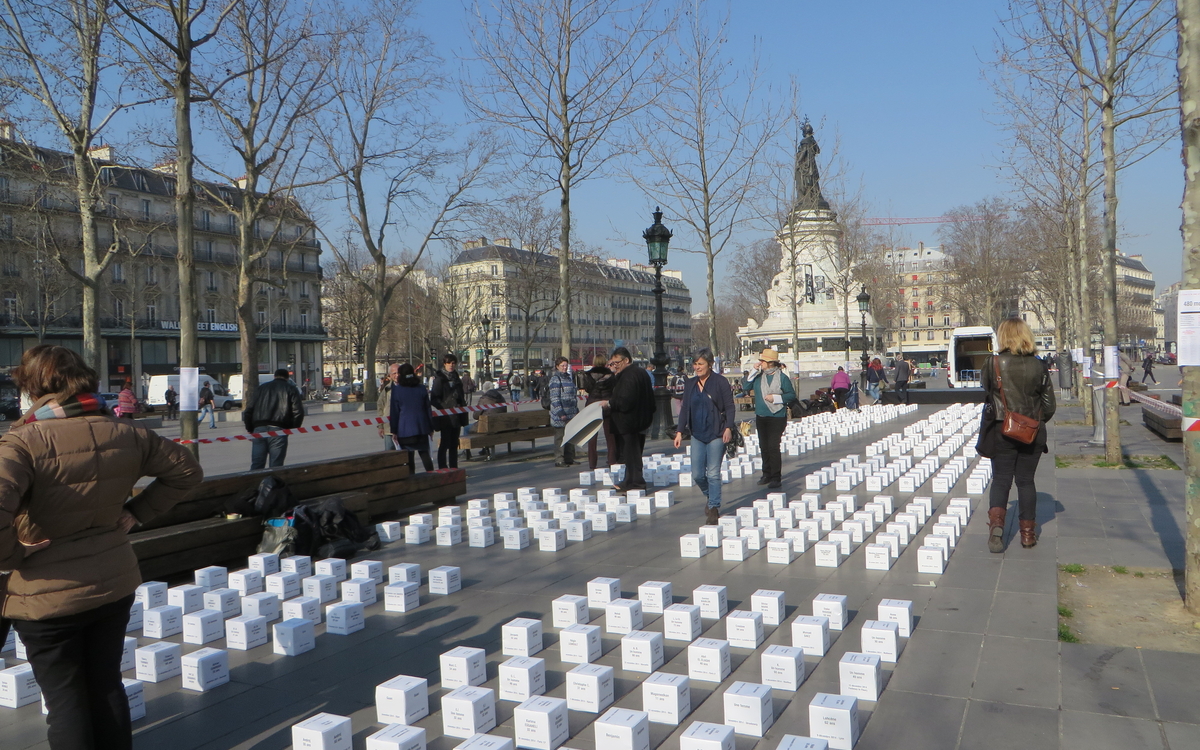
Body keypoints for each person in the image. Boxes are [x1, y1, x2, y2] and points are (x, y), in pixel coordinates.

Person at [0, 344, 202, 750]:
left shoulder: (22, 441)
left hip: (44, 594)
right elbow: (188, 471)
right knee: (106, 685)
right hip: (112, 582)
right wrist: (137, 512)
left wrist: (11, 556)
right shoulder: (126, 431)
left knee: (65, 698)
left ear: (33, 386)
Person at [979, 317, 1056, 552]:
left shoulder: (992, 363)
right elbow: (1049, 404)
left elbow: (987, 390)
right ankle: (1028, 534)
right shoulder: (1039, 365)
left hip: (1003, 429)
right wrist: (1033, 421)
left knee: (1001, 479)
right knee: (1026, 481)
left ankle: (996, 529)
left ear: (1003, 336)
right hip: (1032, 431)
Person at [674, 350, 734, 525]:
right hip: (697, 434)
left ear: (710, 364)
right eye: (695, 364)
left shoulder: (720, 382)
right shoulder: (690, 383)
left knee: (713, 473)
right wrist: (679, 431)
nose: (697, 367)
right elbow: (685, 409)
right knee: (698, 474)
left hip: (717, 432)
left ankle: (714, 508)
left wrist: (728, 427)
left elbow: (730, 407)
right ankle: (710, 495)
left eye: (700, 364)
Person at [602, 347, 654, 491]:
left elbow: (625, 401)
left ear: (626, 360)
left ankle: (635, 483)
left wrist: (610, 403)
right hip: (640, 420)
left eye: (617, 363)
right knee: (633, 454)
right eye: (612, 363)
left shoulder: (628, 376)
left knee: (631, 454)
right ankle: (629, 480)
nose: (614, 366)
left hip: (629, 422)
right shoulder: (641, 372)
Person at [743, 348, 795, 490]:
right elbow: (745, 386)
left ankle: (776, 477)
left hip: (777, 416)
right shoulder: (758, 377)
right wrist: (752, 371)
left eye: (763, 361)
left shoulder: (782, 378)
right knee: (763, 446)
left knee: (773, 446)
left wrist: (776, 398)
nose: (760, 363)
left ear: (770, 363)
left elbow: (791, 395)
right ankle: (766, 473)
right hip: (761, 416)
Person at [243, 369, 305, 470]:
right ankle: (272, 484)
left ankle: (254, 484)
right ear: (287, 378)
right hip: (279, 429)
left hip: (259, 429)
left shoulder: (261, 388)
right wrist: (292, 428)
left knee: (257, 463)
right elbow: (298, 412)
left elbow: (248, 411)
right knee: (276, 465)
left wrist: (250, 428)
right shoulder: (291, 388)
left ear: (274, 376)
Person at [389, 363, 434, 472]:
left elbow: (394, 412)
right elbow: (428, 409)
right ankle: (432, 477)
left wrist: (393, 431)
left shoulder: (397, 390)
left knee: (409, 458)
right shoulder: (422, 388)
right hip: (421, 428)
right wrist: (430, 428)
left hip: (404, 429)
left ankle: (412, 480)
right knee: (425, 454)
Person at [430, 353, 468, 470]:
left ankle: (454, 467)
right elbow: (434, 399)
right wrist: (444, 408)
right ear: (444, 364)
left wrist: (461, 405)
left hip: (457, 414)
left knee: (454, 443)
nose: (451, 365)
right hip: (446, 416)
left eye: (453, 363)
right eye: (448, 363)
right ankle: (442, 467)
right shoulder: (440, 379)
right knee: (445, 443)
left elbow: (461, 394)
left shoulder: (456, 378)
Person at [580, 355, 615, 471]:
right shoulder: (611, 375)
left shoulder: (588, 375)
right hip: (606, 405)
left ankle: (592, 463)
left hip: (592, 406)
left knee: (592, 436)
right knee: (610, 436)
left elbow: (588, 389)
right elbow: (613, 389)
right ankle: (611, 460)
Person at [548, 357, 580, 467]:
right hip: (560, 415)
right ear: (557, 366)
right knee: (560, 437)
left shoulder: (568, 378)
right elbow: (554, 398)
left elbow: (573, 396)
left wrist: (576, 410)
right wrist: (560, 413)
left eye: (566, 365)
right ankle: (559, 459)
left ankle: (569, 458)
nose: (565, 367)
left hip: (571, 413)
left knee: (570, 436)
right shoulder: (555, 379)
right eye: (562, 365)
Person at [377, 363, 400, 451]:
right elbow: (380, 407)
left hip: (403, 428)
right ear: (390, 375)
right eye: (394, 373)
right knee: (389, 452)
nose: (397, 375)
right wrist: (380, 426)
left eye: (399, 373)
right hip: (388, 428)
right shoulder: (387, 389)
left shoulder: (406, 388)